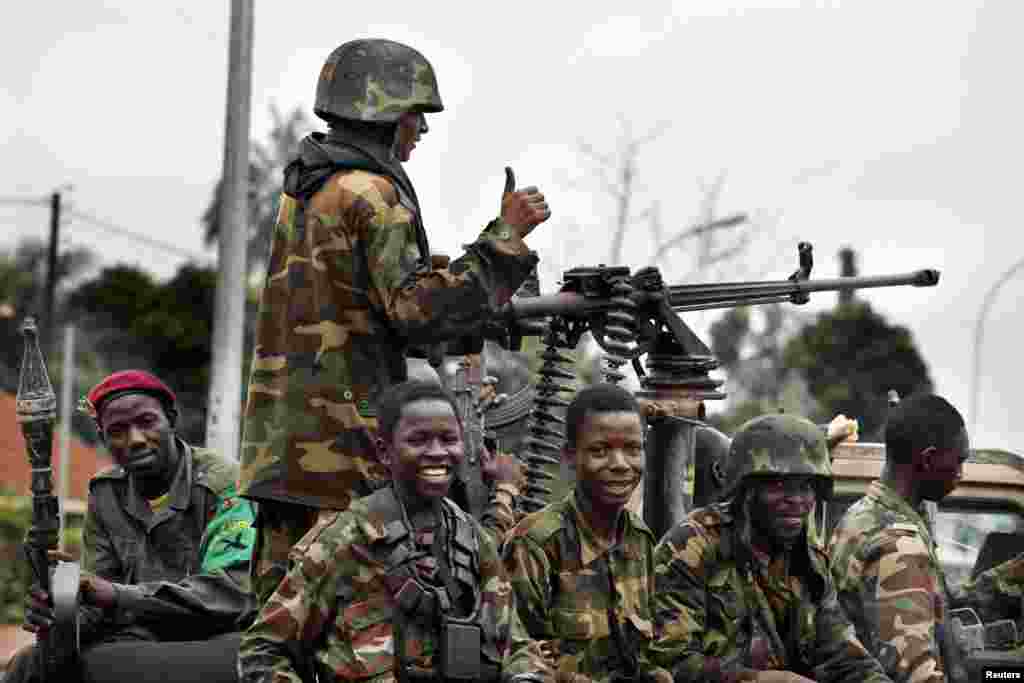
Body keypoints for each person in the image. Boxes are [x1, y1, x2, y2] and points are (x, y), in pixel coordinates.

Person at [238, 37, 549, 605]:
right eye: (415, 116)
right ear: (383, 112)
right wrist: (505, 239)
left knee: (280, 624)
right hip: (346, 457)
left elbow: (360, 302)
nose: (421, 131)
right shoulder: (372, 193)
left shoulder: (309, 187)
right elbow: (414, 313)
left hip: (285, 455)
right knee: (356, 628)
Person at [238, 380, 547, 683]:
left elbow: (515, 645)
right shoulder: (342, 540)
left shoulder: (473, 540)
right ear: (385, 452)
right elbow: (263, 650)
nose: (438, 452)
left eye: (449, 439)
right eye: (419, 440)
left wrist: (526, 675)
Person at [6, 370, 256, 683]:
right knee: (29, 665)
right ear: (104, 439)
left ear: (171, 419)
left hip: (220, 636)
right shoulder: (106, 493)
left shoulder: (226, 484)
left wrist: (115, 595)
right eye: (118, 430)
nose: (135, 439)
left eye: (147, 422)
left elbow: (231, 593)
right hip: (142, 635)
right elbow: (97, 600)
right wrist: (61, 611)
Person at [649, 413, 893, 683]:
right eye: (779, 485)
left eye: (806, 486)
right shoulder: (692, 546)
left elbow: (842, 655)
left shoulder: (808, 560)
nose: (797, 500)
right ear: (746, 489)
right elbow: (669, 663)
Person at [828, 394, 1024, 683]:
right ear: (929, 459)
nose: (960, 473)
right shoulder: (897, 543)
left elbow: (936, 603)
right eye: (958, 461)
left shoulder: (866, 515)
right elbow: (916, 674)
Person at [502, 383, 672, 683]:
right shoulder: (535, 542)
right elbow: (516, 659)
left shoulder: (638, 538)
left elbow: (642, 653)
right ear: (569, 455)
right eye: (599, 450)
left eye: (633, 449)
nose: (620, 465)